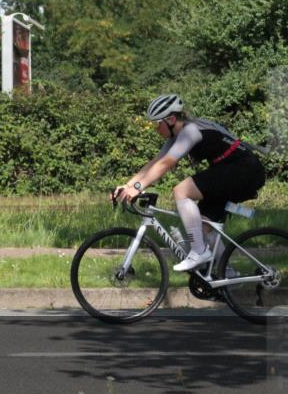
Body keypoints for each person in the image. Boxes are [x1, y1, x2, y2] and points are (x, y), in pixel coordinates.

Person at [114, 93, 266, 272]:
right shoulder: (176, 136)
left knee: (181, 190)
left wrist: (139, 188)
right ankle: (227, 277)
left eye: (157, 123)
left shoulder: (190, 131)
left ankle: (198, 252)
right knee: (203, 225)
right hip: (231, 170)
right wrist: (129, 185)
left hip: (244, 169)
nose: (156, 129)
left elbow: (166, 164)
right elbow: (155, 162)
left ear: (170, 119)